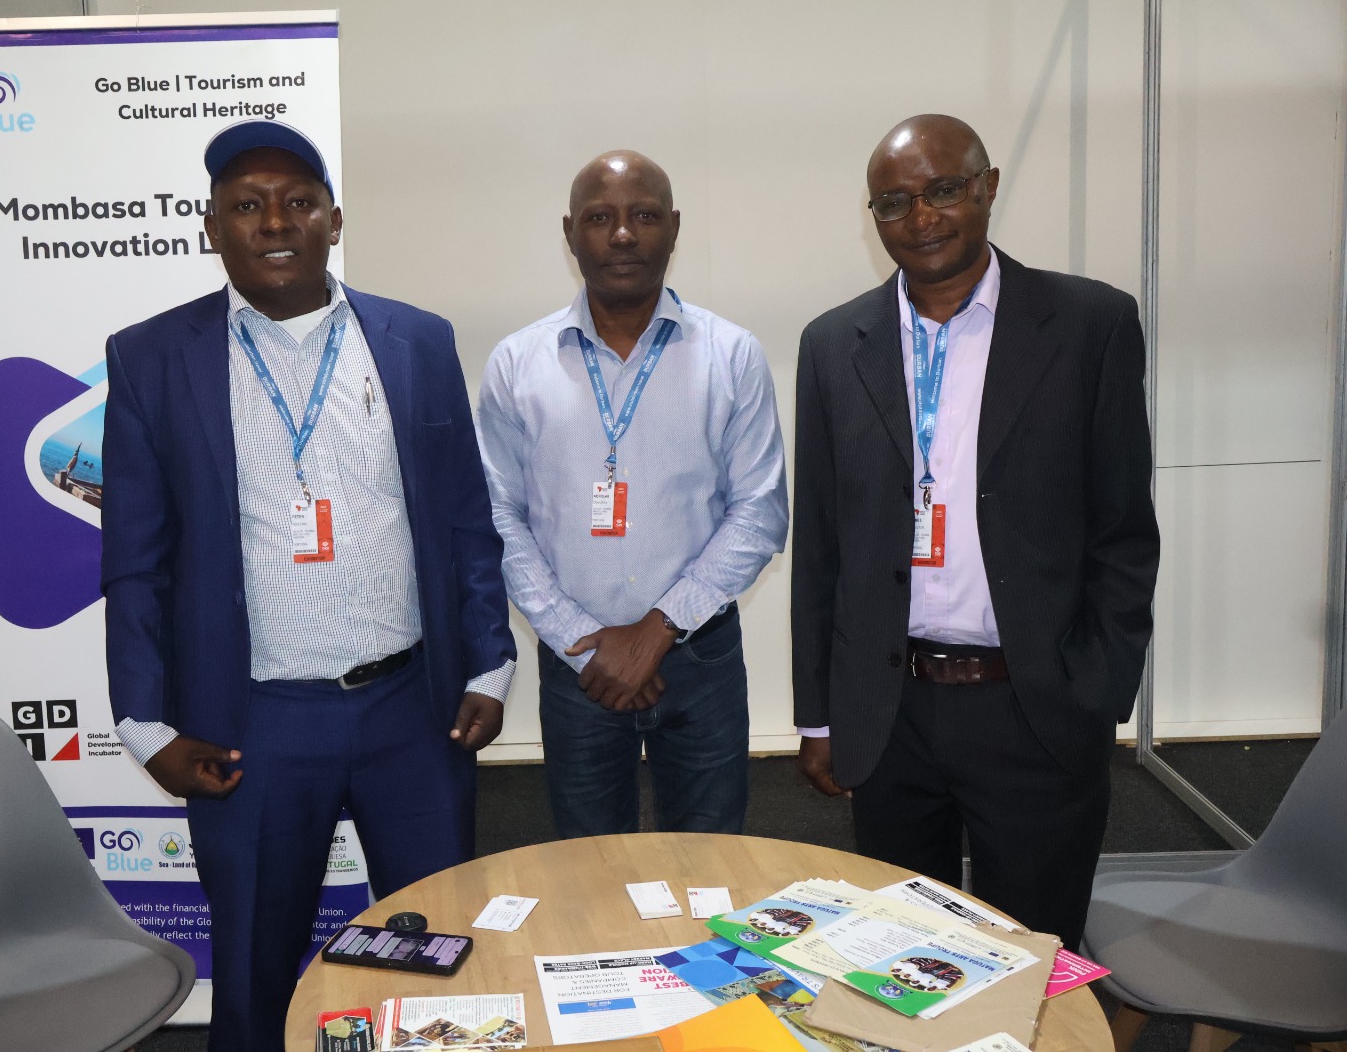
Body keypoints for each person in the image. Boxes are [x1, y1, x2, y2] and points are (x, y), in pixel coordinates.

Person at [101, 120, 515, 1050]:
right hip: (250, 728)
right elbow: (134, 558)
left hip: (412, 714)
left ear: (335, 220)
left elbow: (463, 519)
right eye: (246, 205)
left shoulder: (417, 340)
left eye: (297, 201)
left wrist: (489, 663)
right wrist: (142, 722)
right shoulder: (150, 360)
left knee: (441, 959)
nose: (274, 220)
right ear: (213, 227)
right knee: (253, 971)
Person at [791, 114, 1159, 950]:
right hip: (891, 713)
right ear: (872, 217)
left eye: (943, 190)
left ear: (988, 188)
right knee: (898, 956)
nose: (920, 218)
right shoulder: (831, 344)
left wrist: (1094, 690)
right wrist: (820, 715)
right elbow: (821, 549)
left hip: (1033, 705)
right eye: (894, 202)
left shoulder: (1089, 324)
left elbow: (1124, 533)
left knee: (1033, 953)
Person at [477, 150, 787, 838]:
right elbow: (499, 516)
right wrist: (583, 644)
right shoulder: (517, 364)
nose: (623, 235)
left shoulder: (732, 355)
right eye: (600, 218)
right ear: (570, 233)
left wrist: (657, 628)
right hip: (575, 670)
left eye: (644, 216)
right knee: (589, 875)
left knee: (711, 874)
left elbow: (760, 511)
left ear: (673, 228)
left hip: (699, 659)